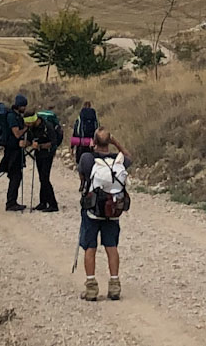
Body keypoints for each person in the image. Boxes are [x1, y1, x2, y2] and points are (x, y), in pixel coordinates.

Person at [78, 127, 130, 302]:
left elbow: (82, 176)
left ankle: (91, 287)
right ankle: (114, 285)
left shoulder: (87, 158)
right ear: (109, 142)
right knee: (111, 247)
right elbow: (129, 156)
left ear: (94, 141)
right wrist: (116, 143)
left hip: (92, 210)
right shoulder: (118, 159)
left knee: (90, 247)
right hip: (113, 210)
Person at [0, 93, 30, 211]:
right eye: (24, 106)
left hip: (15, 150)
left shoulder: (15, 115)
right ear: (19, 106)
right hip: (12, 151)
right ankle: (11, 203)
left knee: (16, 176)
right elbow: (17, 133)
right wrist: (26, 128)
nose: (25, 108)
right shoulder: (12, 117)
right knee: (15, 176)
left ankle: (12, 201)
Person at [29, 108, 59, 212]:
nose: (28, 125)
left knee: (45, 178)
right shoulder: (33, 127)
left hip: (48, 154)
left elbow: (53, 142)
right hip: (39, 154)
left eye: (29, 123)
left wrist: (40, 146)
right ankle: (43, 202)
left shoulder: (48, 127)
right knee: (42, 178)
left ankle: (53, 204)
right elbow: (31, 139)